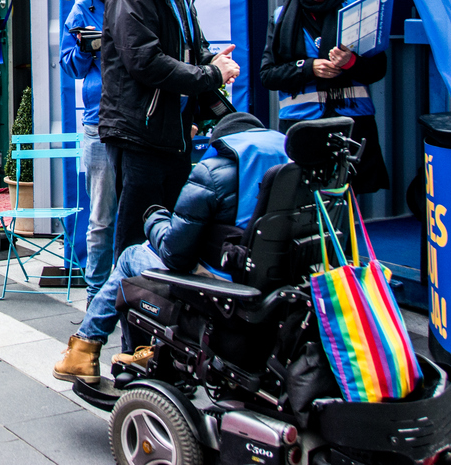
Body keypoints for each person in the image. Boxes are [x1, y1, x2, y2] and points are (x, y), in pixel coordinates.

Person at [53, 113, 288, 383]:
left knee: (131, 256)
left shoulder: (212, 173)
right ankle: (152, 351)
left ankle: (83, 350)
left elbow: (174, 254)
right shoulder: (290, 175)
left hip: (220, 287)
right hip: (271, 287)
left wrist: (154, 219)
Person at [100, 0, 241, 258]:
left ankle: (160, 309)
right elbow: (145, 62)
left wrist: (213, 61)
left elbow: (194, 49)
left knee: (172, 237)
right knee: (136, 237)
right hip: (139, 136)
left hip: (173, 136)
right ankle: (112, 311)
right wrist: (211, 74)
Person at [260, 0, 389, 194]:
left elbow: (378, 69)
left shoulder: (356, 10)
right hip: (301, 125)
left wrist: (350, 62)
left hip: (350, 123)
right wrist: (309, 68)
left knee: (346, 206)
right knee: (304, 203)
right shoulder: (281, 17)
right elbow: (268, 76)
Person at [61, 0, 125, 304]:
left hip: (136, 119)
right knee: (101, 219)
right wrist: (85, 48)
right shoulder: (81, 9)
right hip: (98, 122)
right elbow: (70, 67)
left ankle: (138, 290)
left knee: (142, 212)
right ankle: (96, 298)